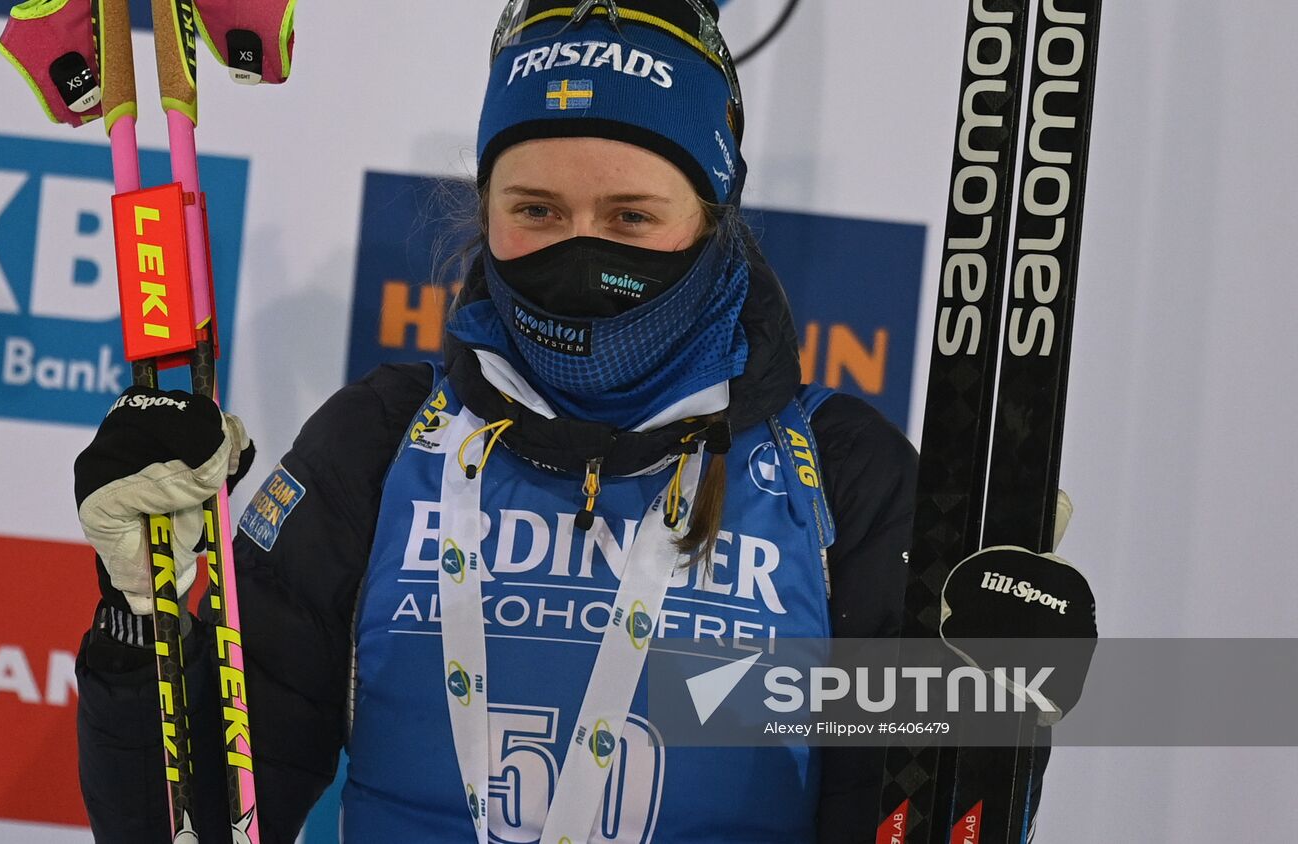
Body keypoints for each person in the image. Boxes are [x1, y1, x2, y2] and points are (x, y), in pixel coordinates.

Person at [72, 1, 921, 841]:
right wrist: (139, 616)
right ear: (486, 210)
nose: (580, 247)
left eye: (631, 216)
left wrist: (1006, 710)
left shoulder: (846, 475)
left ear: (712, 214)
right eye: (536, 211)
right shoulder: (375, 444)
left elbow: (927, 816)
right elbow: (191, 828)